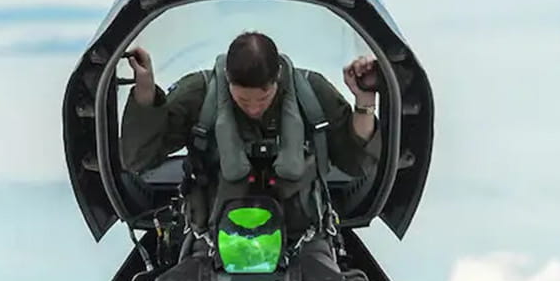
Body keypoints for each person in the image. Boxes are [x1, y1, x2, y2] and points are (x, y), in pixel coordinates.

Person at [119, 31, 382, 245]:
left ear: (277, 78)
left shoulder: (311, 95)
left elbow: (356, 162)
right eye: (243, 100)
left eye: (263, 98)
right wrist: (145, 90)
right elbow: (139, 158)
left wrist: (364, 101)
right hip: (212, 238)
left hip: (302, 238)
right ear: (228, 79)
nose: (254, 108)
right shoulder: (199, 95)